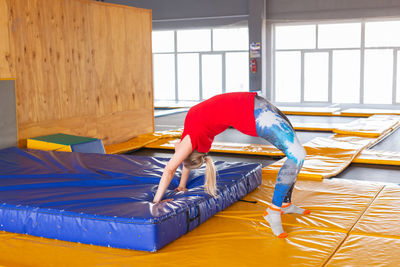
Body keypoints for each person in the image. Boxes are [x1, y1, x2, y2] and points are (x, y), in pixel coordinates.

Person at [152, 92, 309, 238]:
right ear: (187, 152)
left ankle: (285, 204)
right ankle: (274, 211)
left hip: (255, 103)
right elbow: (170, 169)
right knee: (297, 155)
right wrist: (156, 202)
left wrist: (181, 185)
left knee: (295, 146)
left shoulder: (193, 137)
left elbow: (183, 163)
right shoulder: (192, 139)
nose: (176, 155)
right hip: (253, 114)